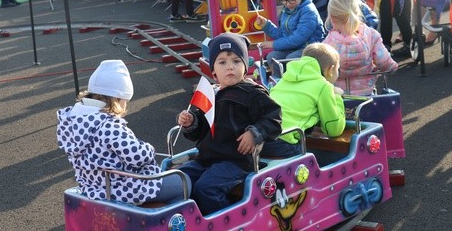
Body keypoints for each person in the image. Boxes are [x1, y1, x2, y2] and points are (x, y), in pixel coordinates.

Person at [57, 60, 190, 204]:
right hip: (123, 188)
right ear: (117, 99)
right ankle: (167, 221)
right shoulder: (108, 126)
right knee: (183, 182)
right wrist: (148, 148)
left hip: (93, 188)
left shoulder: (72, 121)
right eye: (125, 101)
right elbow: (138, 157)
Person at [177, 33, 282, 215]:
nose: (230, 67)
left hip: (235, 160)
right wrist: (191, 122)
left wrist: (254, 133)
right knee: (179, 180)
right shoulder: (211, 94)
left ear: (245, 66)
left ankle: (228, 222)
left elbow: (274, 117)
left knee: (206, 188)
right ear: (214, 71)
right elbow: (200, 131)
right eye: (222, 62)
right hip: (207, 158)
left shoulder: (252, 93)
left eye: (236, 61)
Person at [261, 43, 345, 157]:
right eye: (338, 69)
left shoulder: (284, 79)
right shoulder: (323, 86)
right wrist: (337, 97)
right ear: (331, 69)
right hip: (283, 142)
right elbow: (334, 129)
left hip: (261, 137)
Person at [323, 0, 398, 95]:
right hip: (366, 92)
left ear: (332, 18)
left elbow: (323, 68)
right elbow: (383, 60)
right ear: (358, 12)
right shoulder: (370, 35)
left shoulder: (328, 43)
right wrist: (392, 67)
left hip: (339, 95)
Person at [256, 0, 325, 65]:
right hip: (293, 48)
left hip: (310, 49)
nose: (287, 4)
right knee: (272, 57)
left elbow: (298, 38)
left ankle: (292, 79)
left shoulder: (308, 11)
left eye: (291, 0)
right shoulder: (287, 10)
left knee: (291, 59)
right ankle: (278, 78)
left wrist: (273, 44)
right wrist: (267, 26)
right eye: (284, 0)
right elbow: (283, 35)